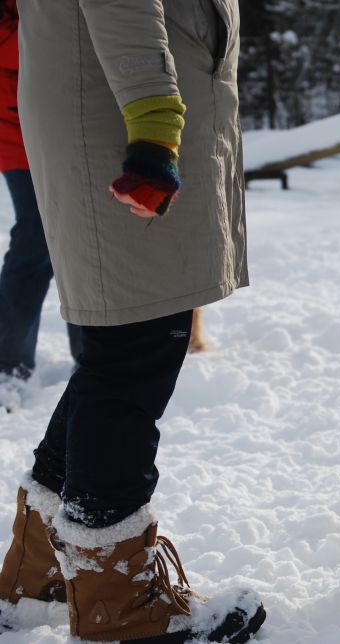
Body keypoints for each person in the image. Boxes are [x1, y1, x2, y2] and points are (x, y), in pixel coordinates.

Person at [0, 2, 265, 642]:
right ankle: (117, 604)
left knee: (121, 350)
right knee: (134, 353)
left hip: (118, 108)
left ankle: (42, 572)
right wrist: (155, 122)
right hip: (123, 122)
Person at [0, 0, 81, 397]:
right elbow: (36, 45)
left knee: (84, 241)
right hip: (19, 137)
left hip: (73, 131)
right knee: (35, 242)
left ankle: (93, 360)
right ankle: (8, 366)